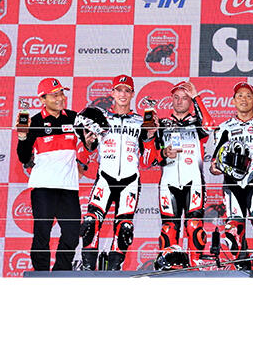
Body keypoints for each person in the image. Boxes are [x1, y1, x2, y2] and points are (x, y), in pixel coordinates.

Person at [77, 75, 155, 271]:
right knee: (90, 222)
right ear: (112, 93)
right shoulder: (101, 118)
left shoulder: (140, 121)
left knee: (124, 228)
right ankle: (87, 269)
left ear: (132, 94)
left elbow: (147, 161)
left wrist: (150, 136)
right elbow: (87, 151)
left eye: (127, 90)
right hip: (105, 177)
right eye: (119, 90)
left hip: (130, 181)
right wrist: (87, 142)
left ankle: (114, 271)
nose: (123, 94)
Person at [15, 78, 87, 271]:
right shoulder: (35, 122)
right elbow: (23, 157)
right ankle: (41, 275)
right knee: (42, 234)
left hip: (68, 187)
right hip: (43, 187)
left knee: (72, 233)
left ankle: (60, 273)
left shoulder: (74, 118)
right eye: (55, 95)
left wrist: (88, 148)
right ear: (42, 99)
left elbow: (89, 145)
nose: (60, 98)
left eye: (62, 93)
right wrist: (22, 136)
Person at [210, 81, 253, 269]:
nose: (244, 99)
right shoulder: (224, 127)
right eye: (239, 95)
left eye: (249, 96)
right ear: (233, 101)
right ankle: (241, 267)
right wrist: (219, 167)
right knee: (233, 231)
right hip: (232, 186)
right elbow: (214, 164)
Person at [146, 81, 214, 267]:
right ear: (171, 99)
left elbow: (209, 126)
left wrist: (197, 97)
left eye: (184, 98)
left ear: (190, 101)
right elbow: (150, 160)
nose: (179, 101)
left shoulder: (197, 123)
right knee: (169, 229)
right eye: (176, 97)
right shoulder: (161, 124)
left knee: (194, 227)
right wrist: (163, 153)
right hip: (168, 184)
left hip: (194, 182)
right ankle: (170, 268)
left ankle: (195, 266)